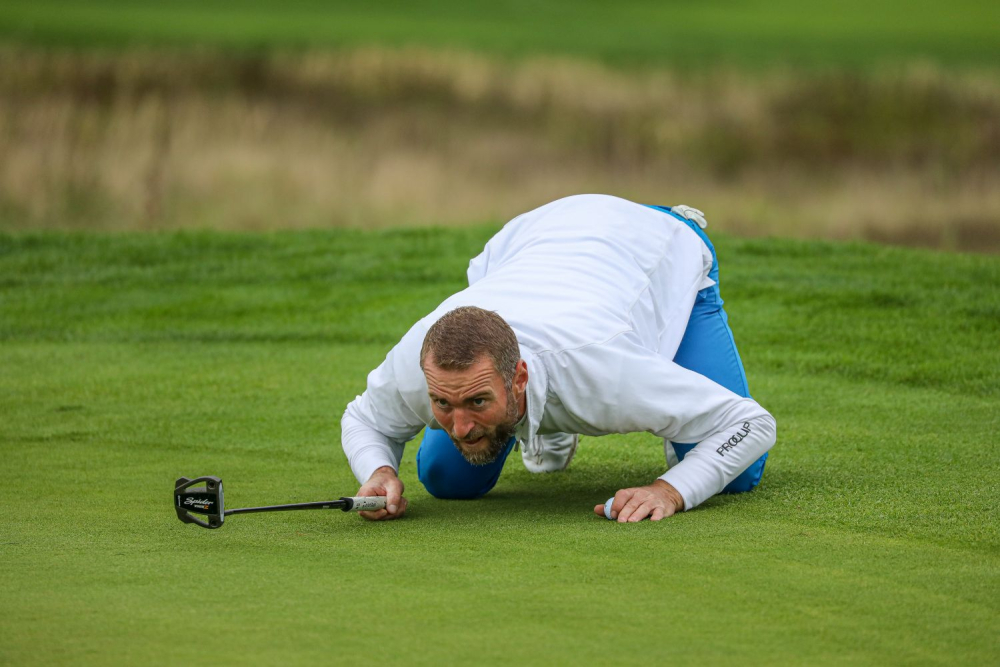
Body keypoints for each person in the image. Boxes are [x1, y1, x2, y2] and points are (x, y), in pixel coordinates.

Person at [340, 194, 776, 522]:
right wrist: (378, 469)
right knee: (446, 479)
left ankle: (676, 408)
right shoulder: (419, 360)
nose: (460, 424)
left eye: (476, 401)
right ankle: (536, 423)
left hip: (658, 243)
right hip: (531, 238)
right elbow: (364, 419)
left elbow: (752, 424)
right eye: (443, 404)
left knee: (737, 477)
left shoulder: (609, 369)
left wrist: (671, 490)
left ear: (518, 377)